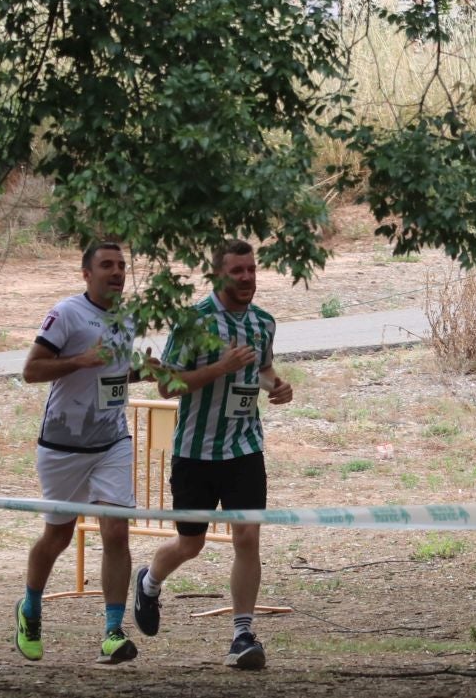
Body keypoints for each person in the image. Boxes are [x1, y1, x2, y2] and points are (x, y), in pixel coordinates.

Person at [133, 241, 294, 671]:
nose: (247, 278)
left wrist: (277, 387)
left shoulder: (263, 322)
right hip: (195, 452)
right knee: (191, 544)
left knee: (247, 538)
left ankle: (243, 635)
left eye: (252, 270)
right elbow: (166, 387)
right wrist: (219, 368)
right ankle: (148, 583)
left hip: (245, 447)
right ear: (219, 275)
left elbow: (262, 369)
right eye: (238, 271)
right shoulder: (195, 323)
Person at [16, 243, 140, 664]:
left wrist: (146, 370)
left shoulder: (129, 316)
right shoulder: (67, 313)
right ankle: (30, 608)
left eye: (122, 265)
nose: (117, 272)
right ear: (86, 274)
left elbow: (117, 374)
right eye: (107, 265)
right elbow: (31, 370)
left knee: (117, 532)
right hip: (63, 446)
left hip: (112, 442)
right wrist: (80, 359)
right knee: (59, 535)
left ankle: (112, 631)